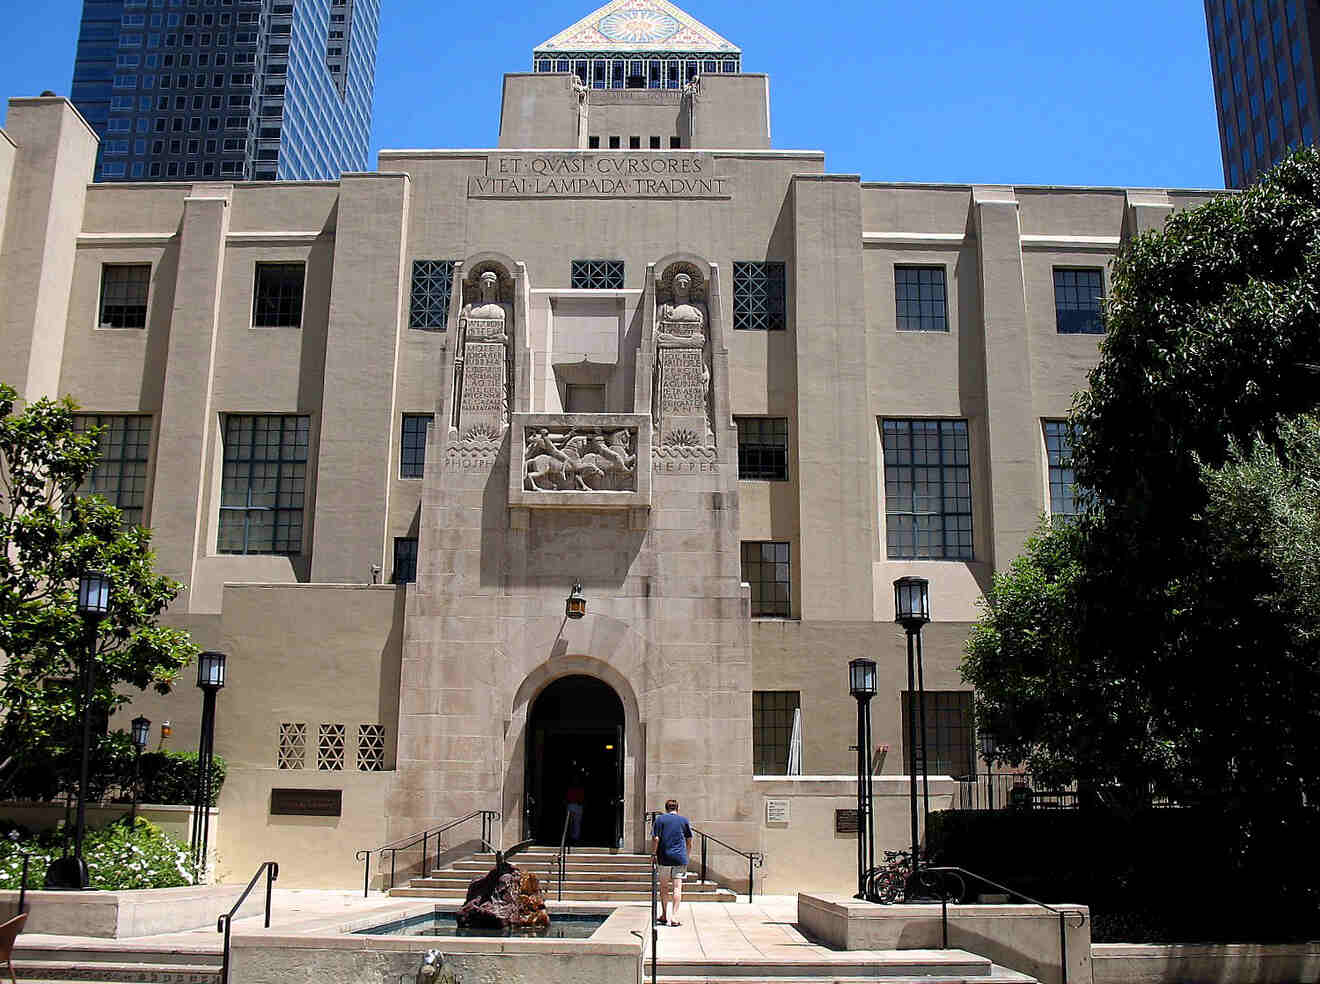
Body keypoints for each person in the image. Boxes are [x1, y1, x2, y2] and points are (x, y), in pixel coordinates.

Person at [650, 798, 692, 927]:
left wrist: (653, 854)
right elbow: (689, 840)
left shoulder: (660, 820)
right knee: (677, 887)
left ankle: (664, 914)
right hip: (679, 858)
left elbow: (656, 838)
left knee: (663, 887)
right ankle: (673, 917)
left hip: (664, 858)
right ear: (677, 808)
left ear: (666, 808)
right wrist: (687, 855)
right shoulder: (683, 820)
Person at [564, 773, 585, 847]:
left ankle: (574, 838)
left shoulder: (580, 788)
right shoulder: (571, 788)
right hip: (572, 805)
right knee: (571, 823)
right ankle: (571, 838)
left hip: (576, 805)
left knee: (575, 823)